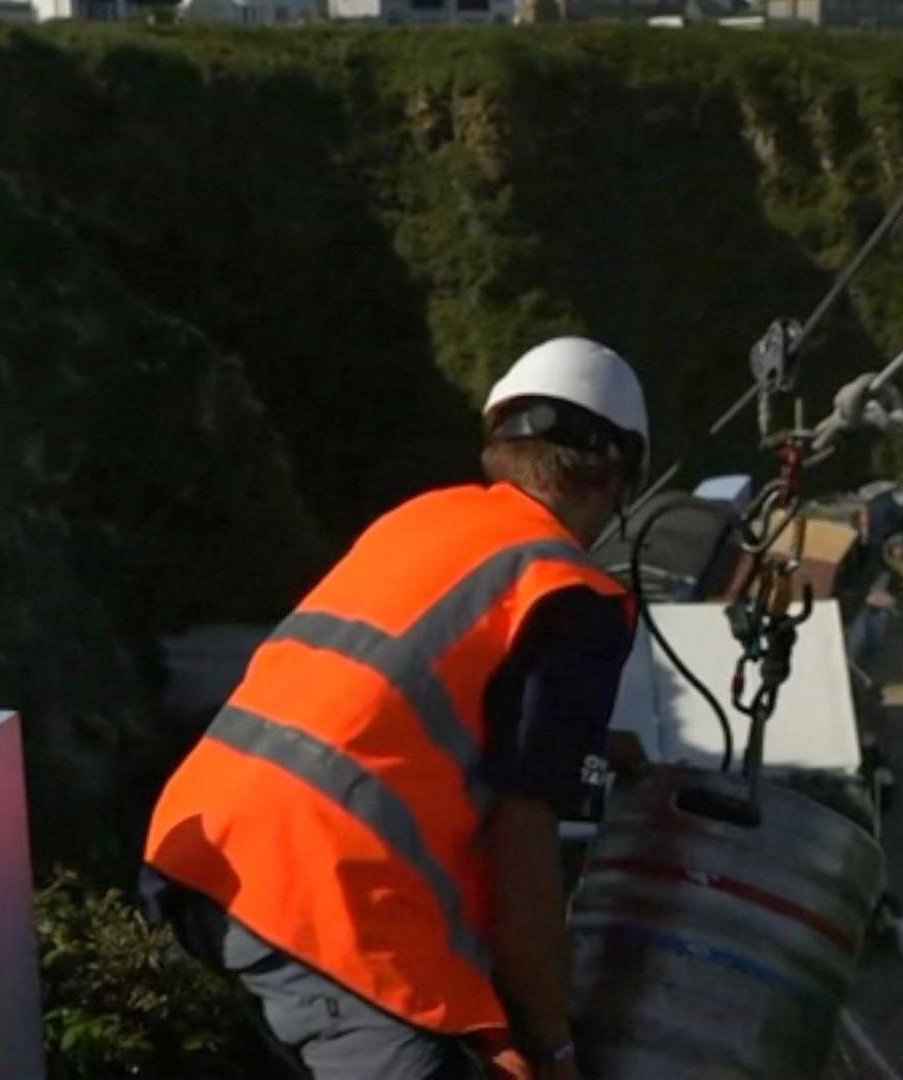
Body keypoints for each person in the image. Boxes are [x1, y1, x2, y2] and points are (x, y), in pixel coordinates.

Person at [140, 337, 650, 1079]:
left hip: (199, 851)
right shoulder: (572, 596)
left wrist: (588, 743)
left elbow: (397, 696)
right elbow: (523, 852)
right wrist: (553, 1047)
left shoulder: (419, 522)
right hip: (320, 902)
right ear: (617, 475)